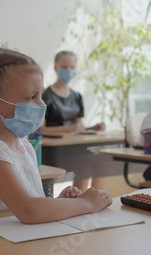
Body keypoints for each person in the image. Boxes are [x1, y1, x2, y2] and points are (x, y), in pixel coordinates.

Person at [0, 48, 112, 224]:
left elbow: (32, 204)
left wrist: (59, 203)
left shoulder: (25, 147)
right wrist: (86, 203)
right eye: (31, 97)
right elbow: (28, 211)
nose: (41, 104)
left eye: (41, 95)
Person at [41, 50, 107, 192]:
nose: (68, 70)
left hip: (74, 147)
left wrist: (93, 128)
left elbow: (78, 127)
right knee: (85, 163)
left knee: (100, 163)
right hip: (53, 151)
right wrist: (68, 129)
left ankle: (92, 199)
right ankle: (79, 199)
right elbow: (40, 130)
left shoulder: (77, 96)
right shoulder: (45, 95)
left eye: (72, 67)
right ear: (55, 68)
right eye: (64, 67)